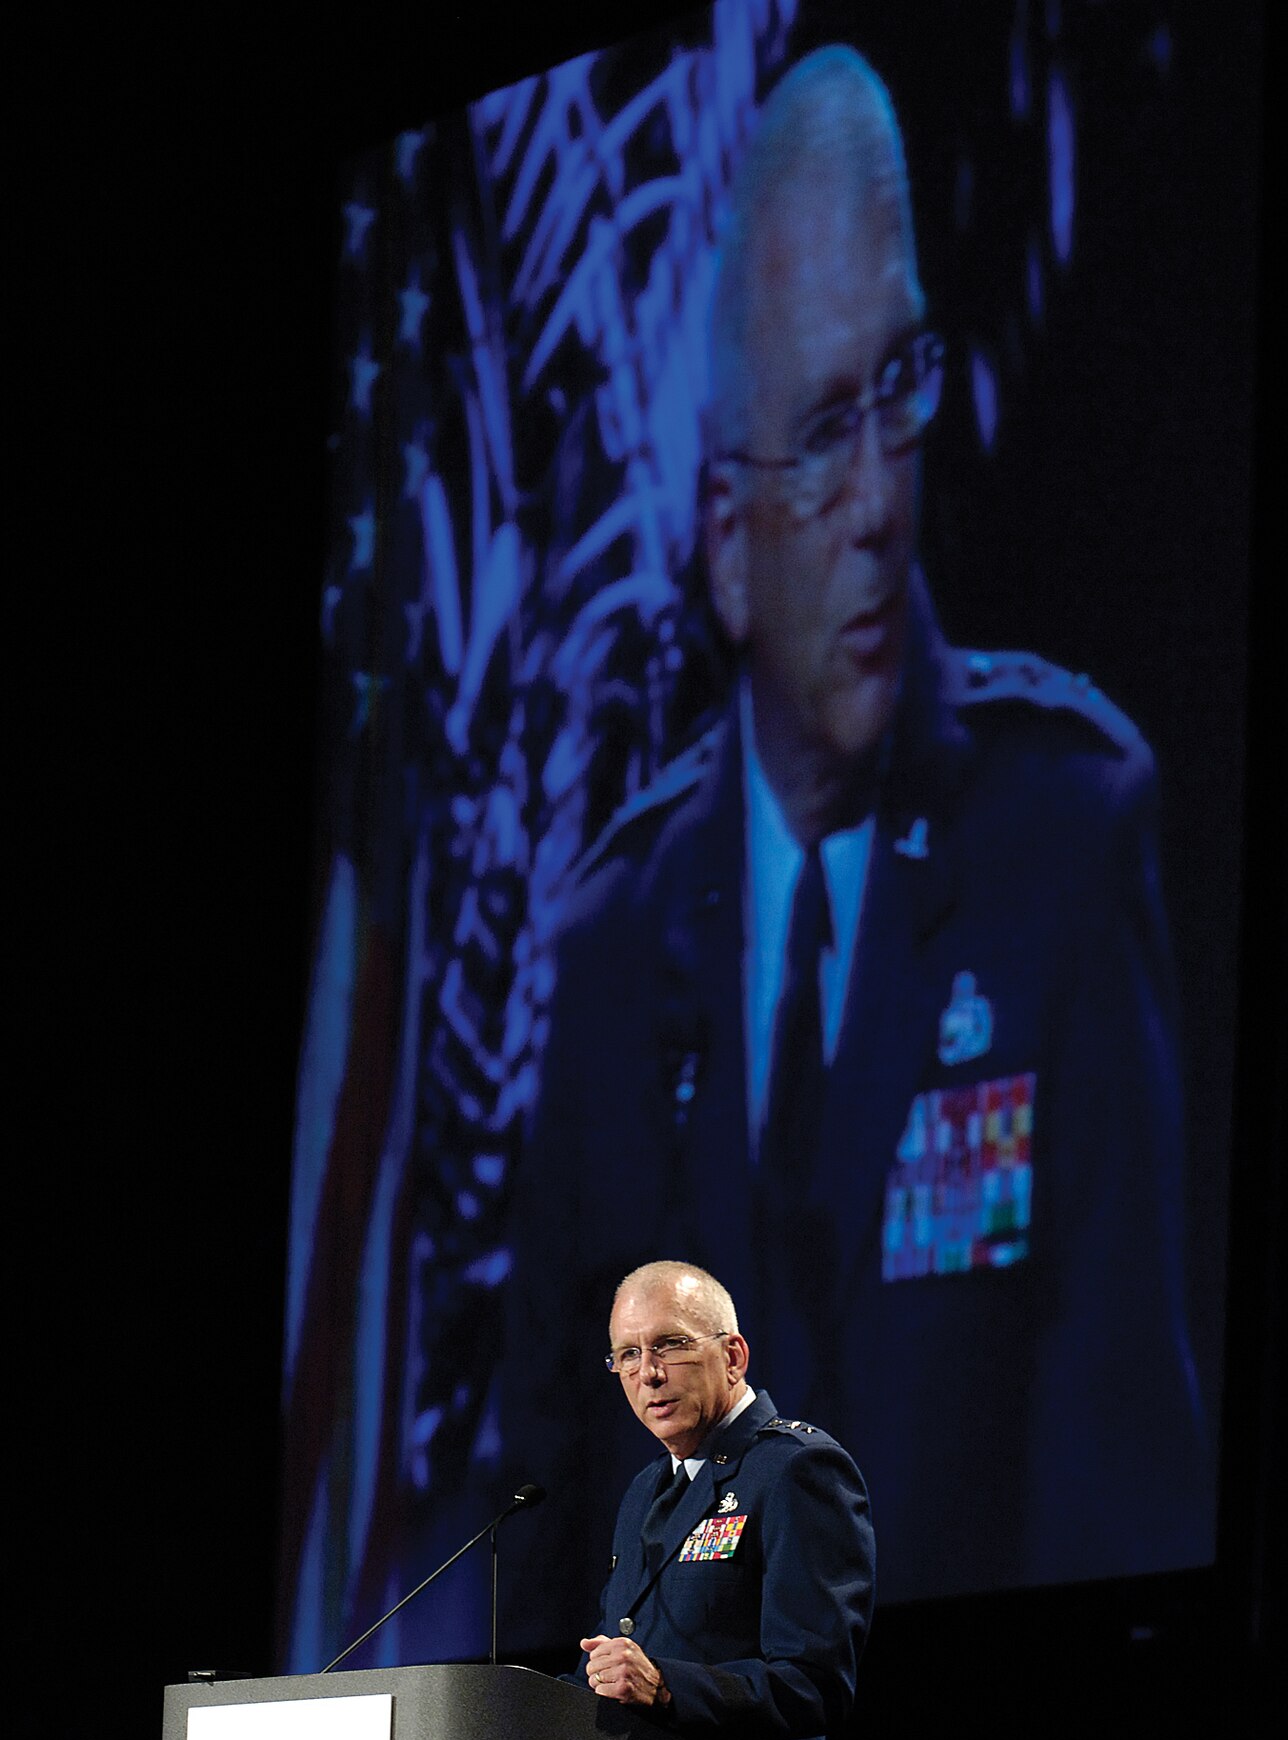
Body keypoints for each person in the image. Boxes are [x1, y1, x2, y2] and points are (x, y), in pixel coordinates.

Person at [503, 44, 1211, 1646]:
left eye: (900, 393)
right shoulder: (614, 945)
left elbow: (1121, 1472)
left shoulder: (1064, 837)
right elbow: (543, 1495)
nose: (883, 498)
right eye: (823, 432)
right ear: (725, 548)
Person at [578, 1260, 874, 1740]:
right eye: (629, 1355)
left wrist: (665, 1685)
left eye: (670, 1346)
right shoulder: (648, 1489)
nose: (648, 1374)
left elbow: (816, 1683)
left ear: (732, 1355)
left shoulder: (797, 1471)